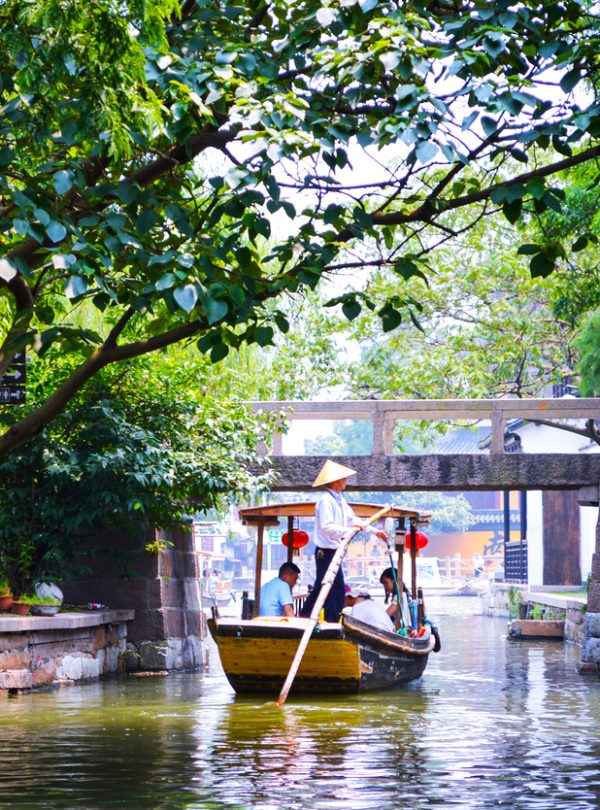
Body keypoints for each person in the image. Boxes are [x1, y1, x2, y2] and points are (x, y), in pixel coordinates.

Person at [300, 459, 388, 623]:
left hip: (335, 551)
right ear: (335, 481)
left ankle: (315, 618)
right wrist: (348, 532)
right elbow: (327, 527)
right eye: (343, 478)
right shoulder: (326, 500)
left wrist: (376, 532)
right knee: (332, 588)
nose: (345, 481)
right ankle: (323, 620)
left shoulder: (340, 501)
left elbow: (353, 520)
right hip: (325, 551)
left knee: (327, 587)